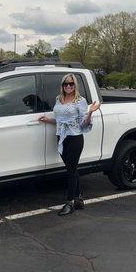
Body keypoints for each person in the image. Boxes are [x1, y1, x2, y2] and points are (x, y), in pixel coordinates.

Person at [39, 74, 100, 216]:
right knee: (71, 168)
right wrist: (48, 120)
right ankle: (78, 198)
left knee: (71, 171)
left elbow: (83, 123)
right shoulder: (58, 99)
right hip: (61, 137)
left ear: (75, 85)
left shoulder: (80, 101)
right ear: (62, 85)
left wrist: (90, 112)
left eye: (71, 84)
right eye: (66, 84)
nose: (68, 86)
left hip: (74, 139)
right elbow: (61, 120)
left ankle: (70, 202)